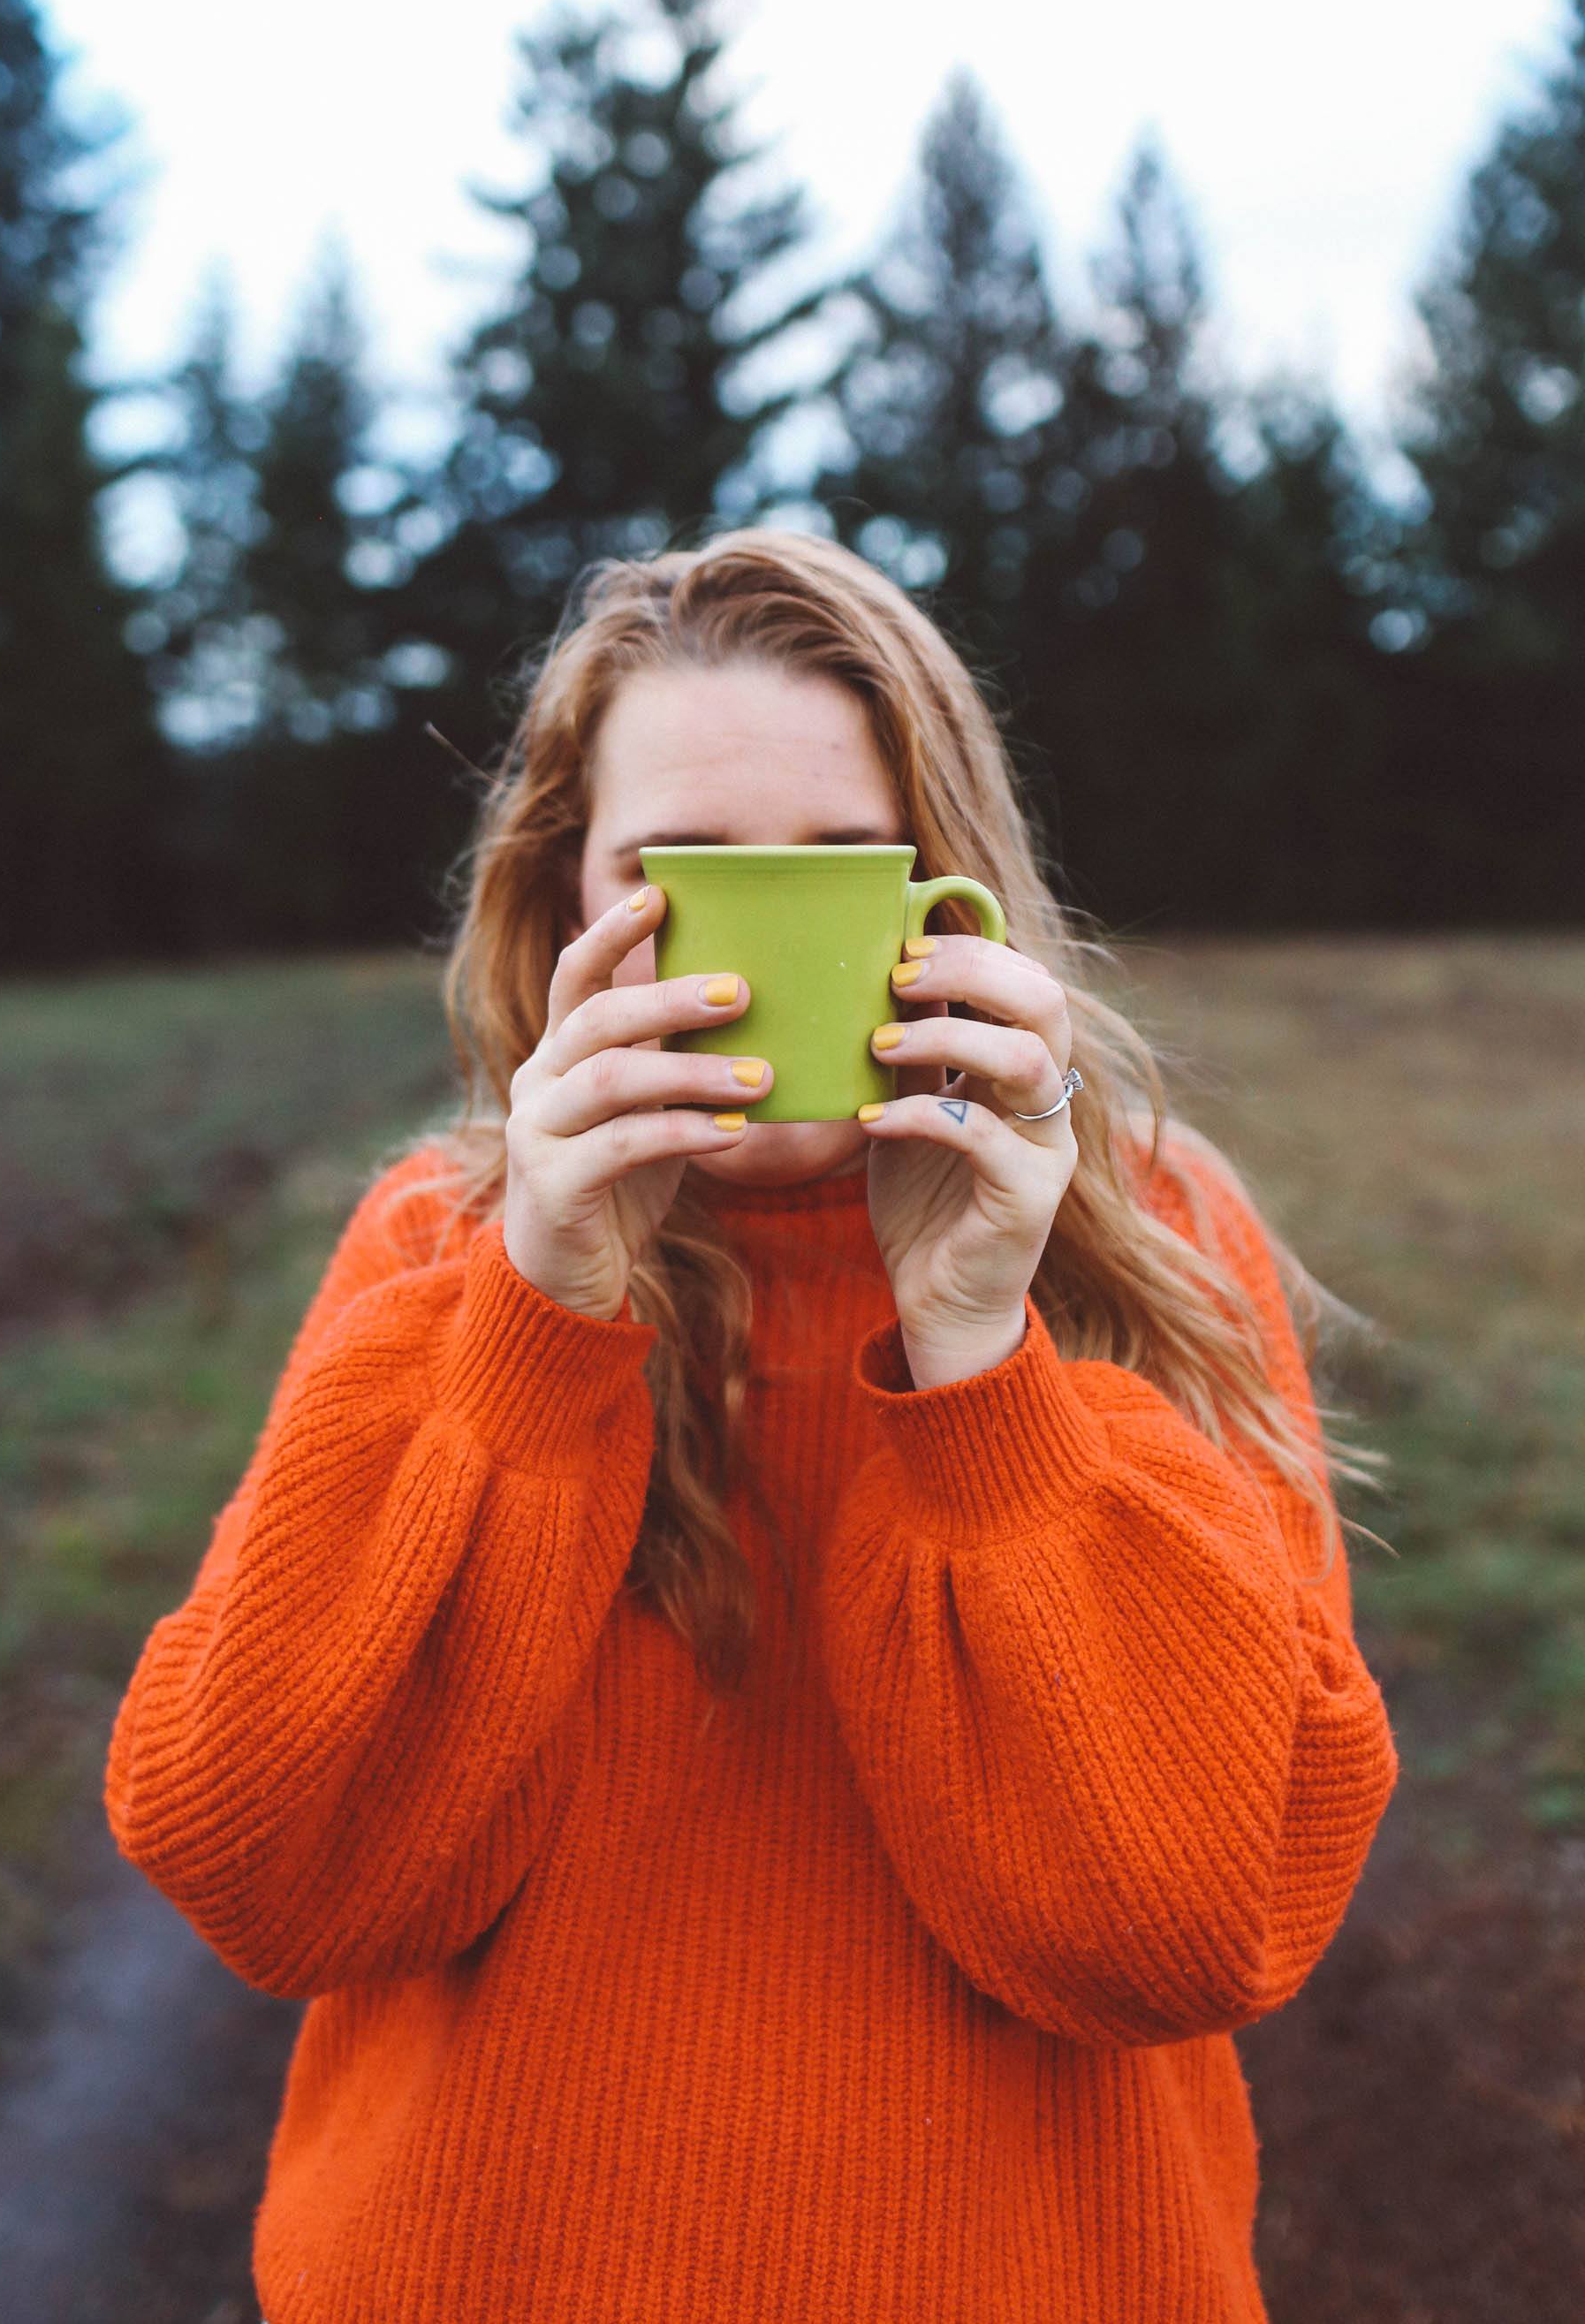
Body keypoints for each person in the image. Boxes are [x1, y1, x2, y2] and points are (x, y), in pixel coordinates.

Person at [106, 528, 1399, 2323]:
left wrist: (977, 1357)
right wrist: (538, 1320)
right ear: (569, 898)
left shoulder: (1153, 1243)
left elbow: (1184, 1924)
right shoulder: (440, 1249)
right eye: (679, 871)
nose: (756, 936)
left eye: (837, 869)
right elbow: (269, 1869)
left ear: (944, 896)